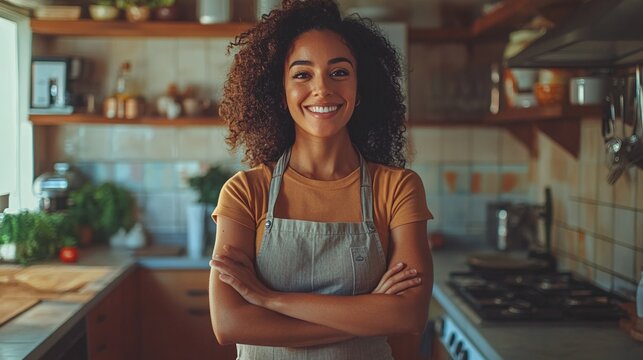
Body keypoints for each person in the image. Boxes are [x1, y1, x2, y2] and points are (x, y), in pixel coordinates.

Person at [209, 0, 434, 359]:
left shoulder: (397, 188)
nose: (322, 89)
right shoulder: (245, 192)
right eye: (302, 74)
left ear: (362, 87)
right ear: (278, 92)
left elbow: (408, 314)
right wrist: (370, 312)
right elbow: (229, 323)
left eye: (339, 72)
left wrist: (270, 300)